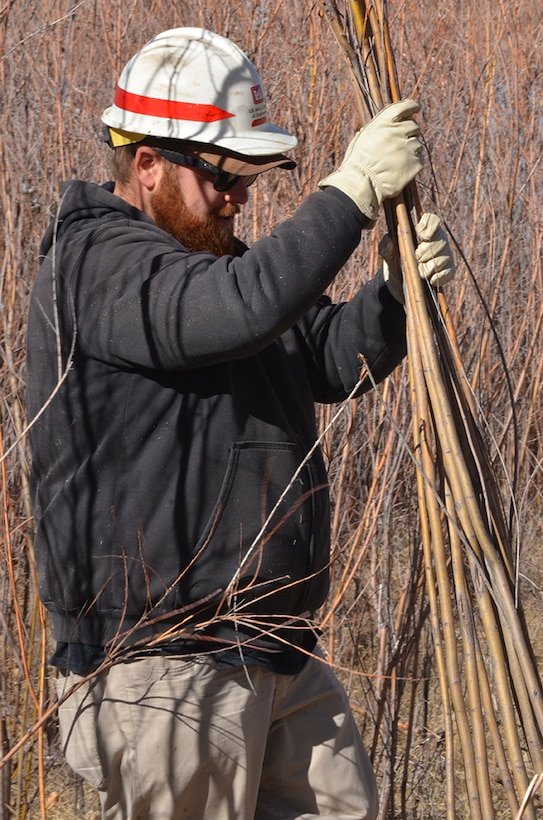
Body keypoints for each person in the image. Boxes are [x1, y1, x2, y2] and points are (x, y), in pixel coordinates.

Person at [26, 27, 455, 820]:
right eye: (223, 173)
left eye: (250, 176)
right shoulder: (98, 265)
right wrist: (349, 193)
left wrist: (396, 299)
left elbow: (323, 359)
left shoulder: (209, 270)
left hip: (268, 641)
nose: (239, 195)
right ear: (147, 164)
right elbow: (242, 309)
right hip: (164, 662)